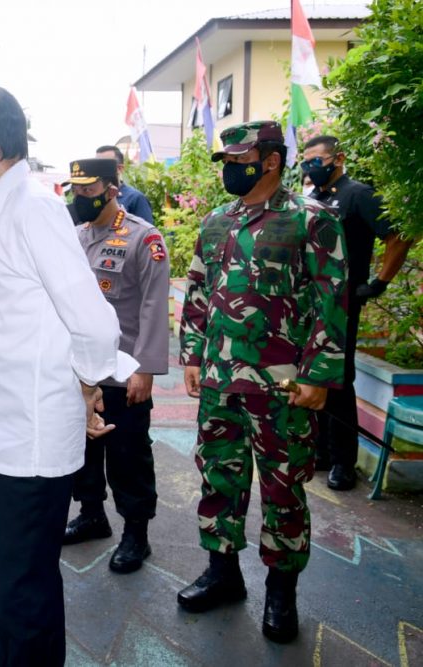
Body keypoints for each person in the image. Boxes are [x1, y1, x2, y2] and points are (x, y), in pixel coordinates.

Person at [0, 84, 136, 666]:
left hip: (30, 435)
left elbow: (93, 321)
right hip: (10, 428)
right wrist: (84, 382)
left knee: (24, 588)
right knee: (26, 583)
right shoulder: (0, 213)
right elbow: (39, 321)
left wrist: (93, 379)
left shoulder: (34, 210)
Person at [178, 121, 347, 644]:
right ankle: (222, 573)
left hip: (284, 385)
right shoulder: (215, 221)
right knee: (219, 479)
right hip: (220, 381)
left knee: (284, 488)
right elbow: (198, 291)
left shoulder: (311, 220)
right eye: (226, 159)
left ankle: (281, 590)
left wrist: (320, 373)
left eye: (240, 157)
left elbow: (332, 299)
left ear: (270, 160)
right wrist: (191, 353)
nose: (230, 166)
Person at [61, 158, 170, 575]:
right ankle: (92, 514)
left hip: (124, 370)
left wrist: (145, 368)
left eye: (88, 190)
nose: (80, 198)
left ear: (111, 188)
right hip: (80, 368)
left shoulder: (144, 239)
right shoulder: (73, 237)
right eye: (75, 191)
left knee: (128, 455)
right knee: (83, 450)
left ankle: (136, 533)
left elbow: (154, 306)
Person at [301, 135, 416, 491]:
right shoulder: (313, 198)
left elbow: (397, 236)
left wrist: (379, 282)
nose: (310, 168)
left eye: (316, 161)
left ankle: (342, 462)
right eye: (306, 163)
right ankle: (320, 452)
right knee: (313, 373)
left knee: (338, 378)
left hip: (342, 304)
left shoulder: (358, 194)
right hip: (310, 303)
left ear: (338, 159)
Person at [95, 145, 154, 223]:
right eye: (96, 166)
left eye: (104, 166)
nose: (99, 170)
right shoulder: (94, 199)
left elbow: (146, 232)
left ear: (120, 169)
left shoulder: (135, 198)